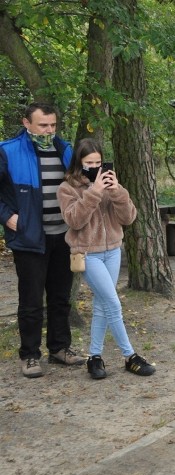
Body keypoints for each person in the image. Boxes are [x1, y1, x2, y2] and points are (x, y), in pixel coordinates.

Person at [0, 102, 87, 378]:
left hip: (63, 237)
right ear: (27, 123)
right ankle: (29, 355)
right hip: (29, 239)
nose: (49, 130)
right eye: (42, 125)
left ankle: (60, 349)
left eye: (53, 125)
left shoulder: (65, 150)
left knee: (61, 298)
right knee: (31, 301)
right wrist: (8, 217)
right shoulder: (8, 151)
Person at [57, 138, 156, 379]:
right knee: (112, 303)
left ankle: (94, 357)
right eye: (89, 163)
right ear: (79, 163)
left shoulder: (111, 185)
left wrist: (116, 191)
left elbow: (129, 218)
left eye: (98, 162)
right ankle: (130, 356)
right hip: (87, 253)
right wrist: (93, 193)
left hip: (113, 250)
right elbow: (74, 221)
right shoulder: (67, 188)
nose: (94, 167)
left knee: (102, 305)